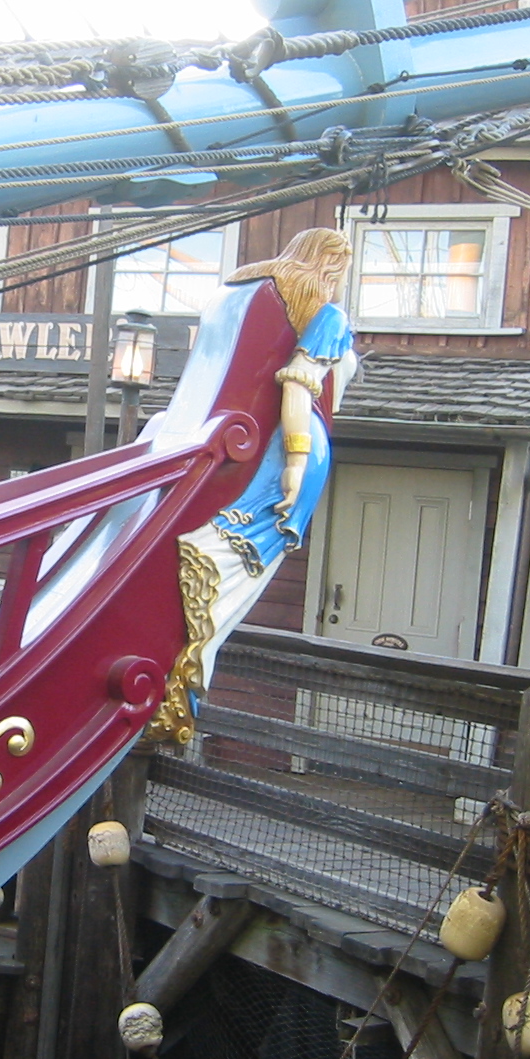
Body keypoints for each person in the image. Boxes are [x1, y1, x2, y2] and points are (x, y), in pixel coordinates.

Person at [149, 228, 357, 744]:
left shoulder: (247, 290)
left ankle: (183, 673)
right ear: (329, 267)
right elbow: (298, 384)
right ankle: (186, 672)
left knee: (228, 568)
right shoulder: (328, 316)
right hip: (292, 454)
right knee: (229, 572)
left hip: (262, 448)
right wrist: (295, 461)